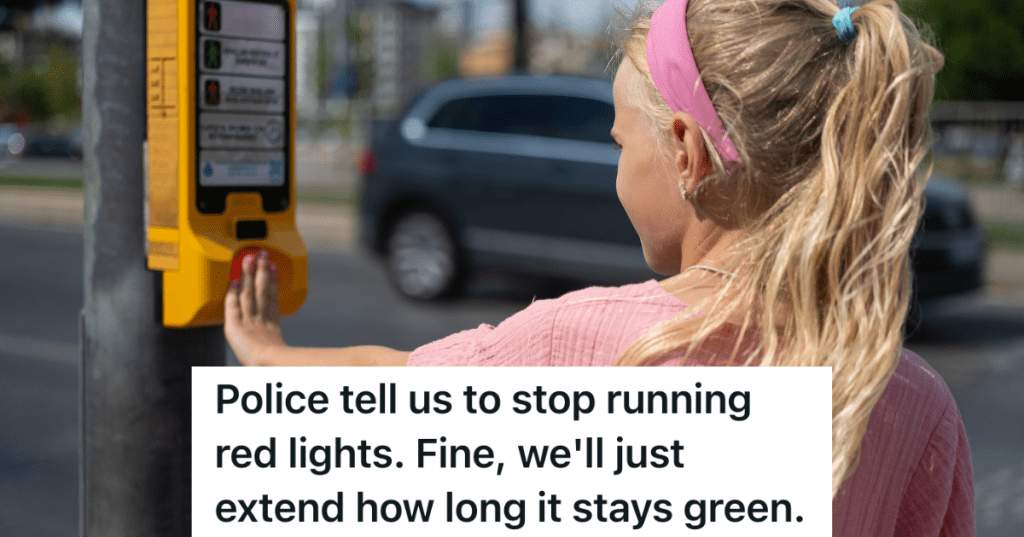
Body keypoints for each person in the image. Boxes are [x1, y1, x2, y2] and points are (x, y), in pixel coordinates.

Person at [224, 0, 975, 533]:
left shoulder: (582, 344)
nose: (616, 167)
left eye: (621, 143)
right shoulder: (914, 402)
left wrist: (268, 354)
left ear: (685, 151)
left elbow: (393, 389)